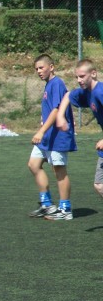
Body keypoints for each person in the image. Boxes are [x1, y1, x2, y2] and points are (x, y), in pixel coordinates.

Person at [28, 54, 76, 220]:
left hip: (58, 136)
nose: (38, 71)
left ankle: (65, 210)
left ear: (52, 67)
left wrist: (41, 131)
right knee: (33, 164)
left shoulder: (57, 83)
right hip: (48, 136)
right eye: (36, 69)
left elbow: (56, 110)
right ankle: (47, 205)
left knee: (59, 171)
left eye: (41, 67)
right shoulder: (48, 85)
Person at [55, 59, 103, 203]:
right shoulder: (87, 93)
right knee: (100, 185)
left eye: (82, 76)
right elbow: (68, 96)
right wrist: (60, 116)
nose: (78, 80)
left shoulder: (100, 92)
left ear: (93, 73)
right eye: (77, 77)